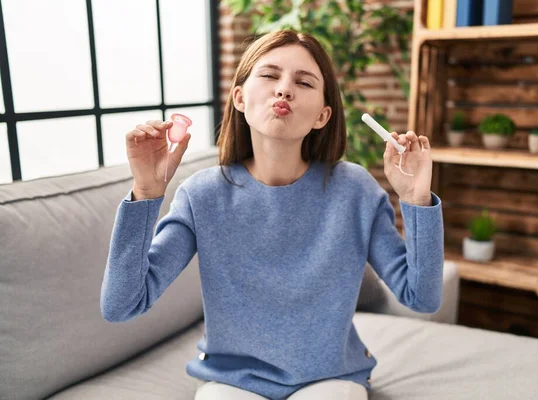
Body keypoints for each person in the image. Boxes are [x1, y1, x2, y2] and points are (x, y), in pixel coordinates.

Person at [101, 29, 444, 400]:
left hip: (330, 379)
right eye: (269, 75)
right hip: (230, 382)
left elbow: (421, 298)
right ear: (240, 98)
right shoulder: (202, 196)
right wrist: (146, 194)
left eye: (303, 81)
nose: (284, 89)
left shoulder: (355, 191)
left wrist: (416, 199)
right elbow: (122, 304)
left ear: (323, 115)